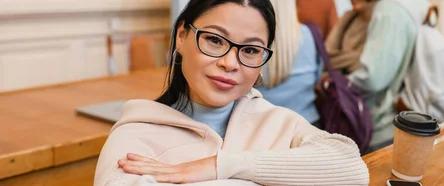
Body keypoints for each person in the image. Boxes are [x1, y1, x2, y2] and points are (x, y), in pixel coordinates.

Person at [94, 0, 370, 185]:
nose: (230, 63)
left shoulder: (275, 120)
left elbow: (352, 167)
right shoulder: (133, 140)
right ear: (181, 36)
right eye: (214, 40)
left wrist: (219, 166)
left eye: (250, 50)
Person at [327, 0, 431, 151]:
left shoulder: (389, 10)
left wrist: (337, 86)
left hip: (378, 126)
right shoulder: (407, 6)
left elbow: (373, 78)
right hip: (384, 121)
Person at [255, 0, 322, 127]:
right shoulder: (309, 34)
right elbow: (316, 79)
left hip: (260, 128)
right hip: (308, 124)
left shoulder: (249, 39)